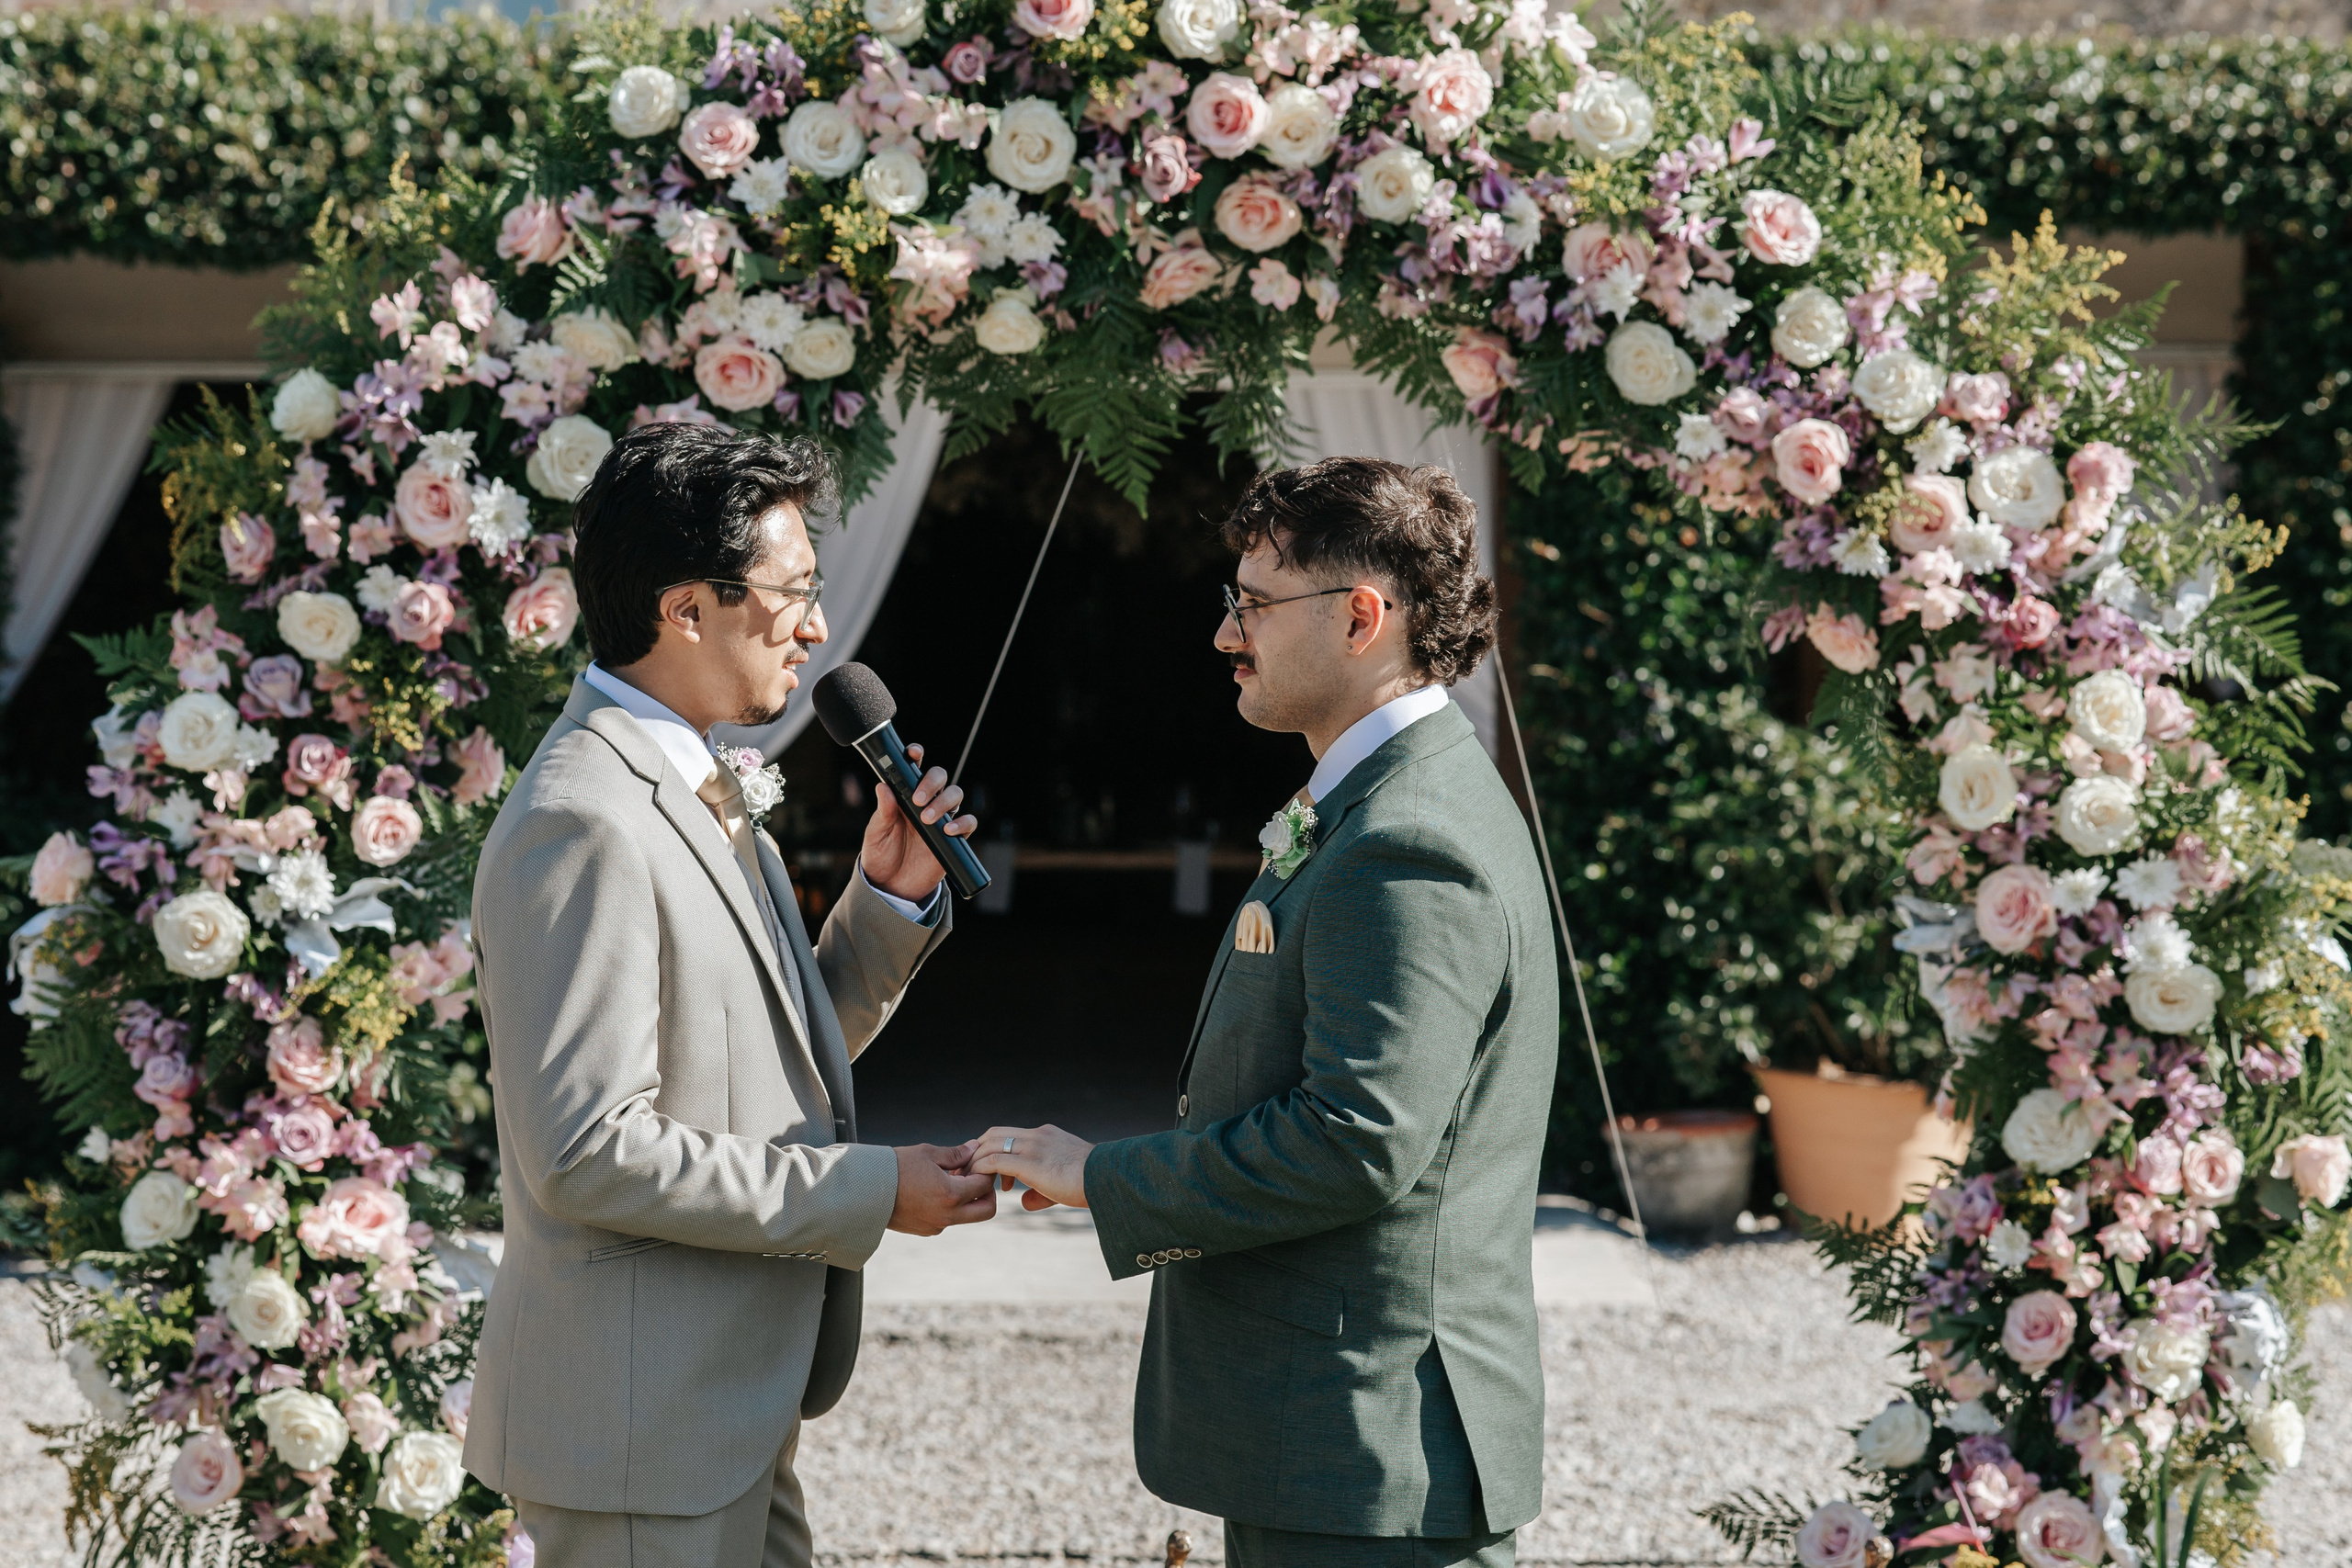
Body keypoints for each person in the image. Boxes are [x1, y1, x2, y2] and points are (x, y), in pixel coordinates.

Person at [972, 457, 1559, 1568]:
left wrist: (1102, 1176)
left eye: (1252, 604)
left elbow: (1356, 1140)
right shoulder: (1384, 797)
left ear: (1361, 618)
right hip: (1338, 1442)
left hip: (1367, 1450)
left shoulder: (1408, 835)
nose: (1224, 635)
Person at [462, 422, 996, 1567]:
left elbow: (757, 1052)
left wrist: (885, 900)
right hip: (636, 1433)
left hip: (716, 1416)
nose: (815, 626)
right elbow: (587, 1149)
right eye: (791, 591)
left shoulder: (683, 770)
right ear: (685, 608)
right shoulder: (583, 815)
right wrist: (868, 1192)